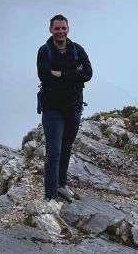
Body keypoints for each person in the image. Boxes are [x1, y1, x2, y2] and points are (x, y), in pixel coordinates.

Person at [36, 14, 93, 201]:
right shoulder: (44, 51)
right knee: (54, 152)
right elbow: (45, 76)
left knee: (66, 147)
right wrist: (73, 73)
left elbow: (88, 74)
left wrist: (60, 74)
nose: (60, 31)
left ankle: (61, 185)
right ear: (51, 30)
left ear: (68, 29)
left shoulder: (77, 49)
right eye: (57, 28)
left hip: (73, 108)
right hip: (52, 110)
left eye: (63, 28)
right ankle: (50, 197)